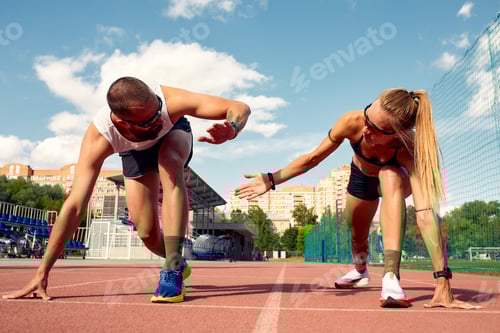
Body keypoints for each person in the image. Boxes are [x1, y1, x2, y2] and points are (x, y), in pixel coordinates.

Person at [3, 76, 251, 303]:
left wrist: (232, 128)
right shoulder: (101, 137)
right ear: (122, 123)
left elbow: (239, 107)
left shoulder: (170, 103)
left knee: (169, 161)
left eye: (158, 113)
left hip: (174, 136)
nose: (156, 122)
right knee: (147, 234)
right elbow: (75, 205)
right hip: (135, 152)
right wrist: (42, 271)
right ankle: (175, 257)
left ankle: (172, 268)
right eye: (148, 121)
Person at [235, 88, 480, 309]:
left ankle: (391, 276)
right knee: (357, 233)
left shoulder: (410, 149)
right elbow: (313, 159)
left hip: (396, 180)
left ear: (397, 134)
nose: (365, 129)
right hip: (361, 177)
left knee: (390, 174)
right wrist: (271, 179)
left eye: (374, 129)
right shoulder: (352, 121)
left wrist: (443, 281)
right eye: (368, 118)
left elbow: (426, 213)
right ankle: (360, 271)